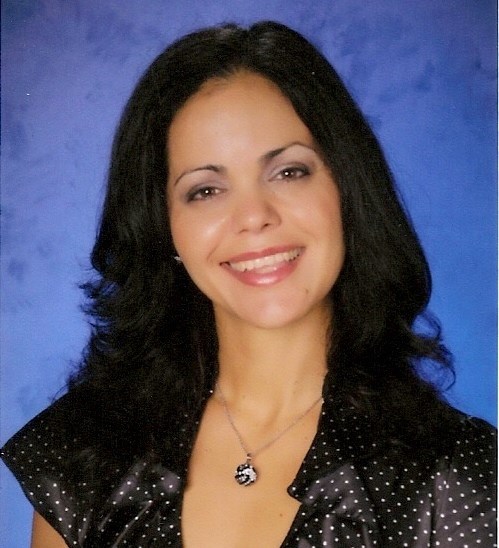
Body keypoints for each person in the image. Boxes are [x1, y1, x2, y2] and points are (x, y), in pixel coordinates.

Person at [1, 21, 496, 548]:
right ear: (165, 226)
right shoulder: (87, 451)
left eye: (289, 172)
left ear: (347, 188)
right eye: (205, 190)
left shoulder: (461, 479)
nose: (254, 216)